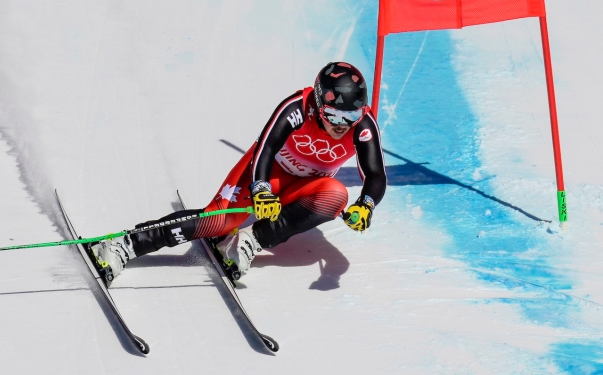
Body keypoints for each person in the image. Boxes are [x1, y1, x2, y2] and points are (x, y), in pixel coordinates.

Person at [91, 62, 386, 283]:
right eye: (334, 115)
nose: (341, 125)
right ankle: (122, 245)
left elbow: (375, 175)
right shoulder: (297, 108)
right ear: (320, 104)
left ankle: (247, 242)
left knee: (336, 196)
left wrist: (366, 205)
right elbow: (265, 149)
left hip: (304, 185)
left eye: (351, 116)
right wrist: (261, 189)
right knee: (219, 221)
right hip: (265, 171)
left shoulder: (362, 127)